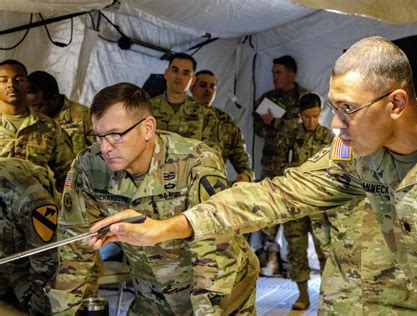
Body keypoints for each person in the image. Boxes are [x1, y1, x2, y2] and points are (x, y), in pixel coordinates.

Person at [89, 37, 417, 314]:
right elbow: (278, 194)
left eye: (348, 109)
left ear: (395, 103)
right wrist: (167, 227)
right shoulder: (352, 153)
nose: (336, 125)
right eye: (333, 108)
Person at [46, 83, 259, 315]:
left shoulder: (197, 162)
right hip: (152, 295)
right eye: (98, 136)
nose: (105, 147)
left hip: (222, 296)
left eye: (115, 135)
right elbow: (74, 250)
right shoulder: (89, 166)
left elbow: (215, 253)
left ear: (147, 128)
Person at [274, 93, 333, 310]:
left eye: (316, 116)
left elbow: (340, 168)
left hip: (320, 204)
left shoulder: (329, 137)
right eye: (307, 116)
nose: (312, 121)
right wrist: (295, 167)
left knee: (325, 249)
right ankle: (302, 295)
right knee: (296, 250)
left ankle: (328, 294)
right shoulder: (289, 136)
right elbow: (276, 166)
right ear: (300, 115)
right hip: (296, 202)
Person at [253, 55, 309, 275]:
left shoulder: (304, 97)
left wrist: (275, 121)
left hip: (296, 166)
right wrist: (277, 125)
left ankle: (296, 265)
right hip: (271, 165)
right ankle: (270, 255)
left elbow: (303, 127)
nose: (274, 77)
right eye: (273, 73)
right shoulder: (268, 98)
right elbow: (259, 128)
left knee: (294, 213)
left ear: (291, 74)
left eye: (279, 73)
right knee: (268, 210)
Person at [0, 60, 75, 191]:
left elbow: (69, 173)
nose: (11, 85)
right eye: (3, 80)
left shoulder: (49, 127)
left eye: (19, 80)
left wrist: (67, 201)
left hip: (36, 205)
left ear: (28, 85)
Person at [0, 157, 59, 315]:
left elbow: (47, 264)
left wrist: (38, 310)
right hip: (11, 267)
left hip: (58, 272)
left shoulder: (23, 193)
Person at [149, 53, 222, 153]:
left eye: (185, 73)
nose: (179, 77)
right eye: (175, 71)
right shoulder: (146, 109)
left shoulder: (207, 116)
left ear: (193, 80)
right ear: (166, 73)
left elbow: (212, 157)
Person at [190, 70, 253, 183]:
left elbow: (239, 152)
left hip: (212, 185)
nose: (208, 90)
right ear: (192, 87)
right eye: (203, 85)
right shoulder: (180, 114)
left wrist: (246, 175)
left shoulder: (224, 120)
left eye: (212, 86)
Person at [26, 70, 93, 155]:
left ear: (54, 99)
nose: (33, 112)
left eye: (38, 107)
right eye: (28, 106)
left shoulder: (84, 116)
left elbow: (99, 154)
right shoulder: (27, 117)